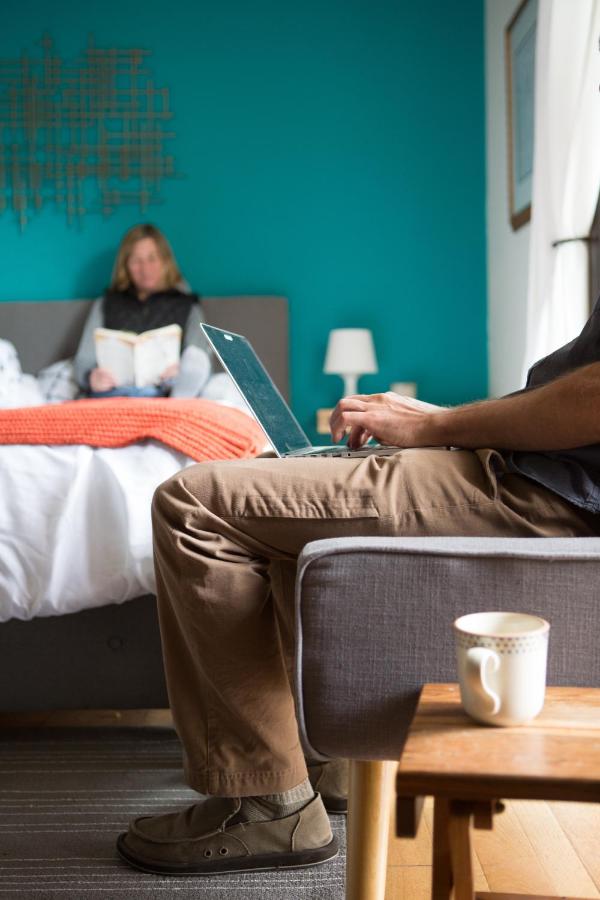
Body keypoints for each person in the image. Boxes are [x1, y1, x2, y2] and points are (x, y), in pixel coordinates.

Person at [116, 299, 600, 876]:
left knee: (193, 504)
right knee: (277, 478)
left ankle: (265, 803)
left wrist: (434, 426)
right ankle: (327, 761)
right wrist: (441, 424)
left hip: (541, 495)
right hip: (525, 471)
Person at [73, 224, 212, 397]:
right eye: (136, 261)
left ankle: (179, 396)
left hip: (166, 390)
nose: (145, 269)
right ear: (126, 266)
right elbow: (83, 360)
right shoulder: (105, 303)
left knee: (195, 366)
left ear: (165, 261)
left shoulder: (188, 305)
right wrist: (90, 377)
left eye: (152, 258)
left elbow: (200, 358)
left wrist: (180, 371)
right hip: (115, 392)